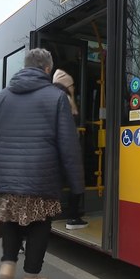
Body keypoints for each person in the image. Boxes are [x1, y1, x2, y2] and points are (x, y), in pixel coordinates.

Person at [0, 48, 84, 279]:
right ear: (47, 69)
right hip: (42, 174)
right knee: (39, 223)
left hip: (8, 174)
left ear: (24, 66)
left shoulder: (2, 97)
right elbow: (68, 145)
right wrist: (77, 184)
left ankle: (7, 265)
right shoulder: (56, 97)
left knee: (11, 219)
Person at [52, 69, 88, 230]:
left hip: (56, 153)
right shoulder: (64, 99)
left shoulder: (51, 97)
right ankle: (73, 217)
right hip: (66, 151)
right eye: (72, 85)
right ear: (67, 85)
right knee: (77, 180)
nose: (74, 88)